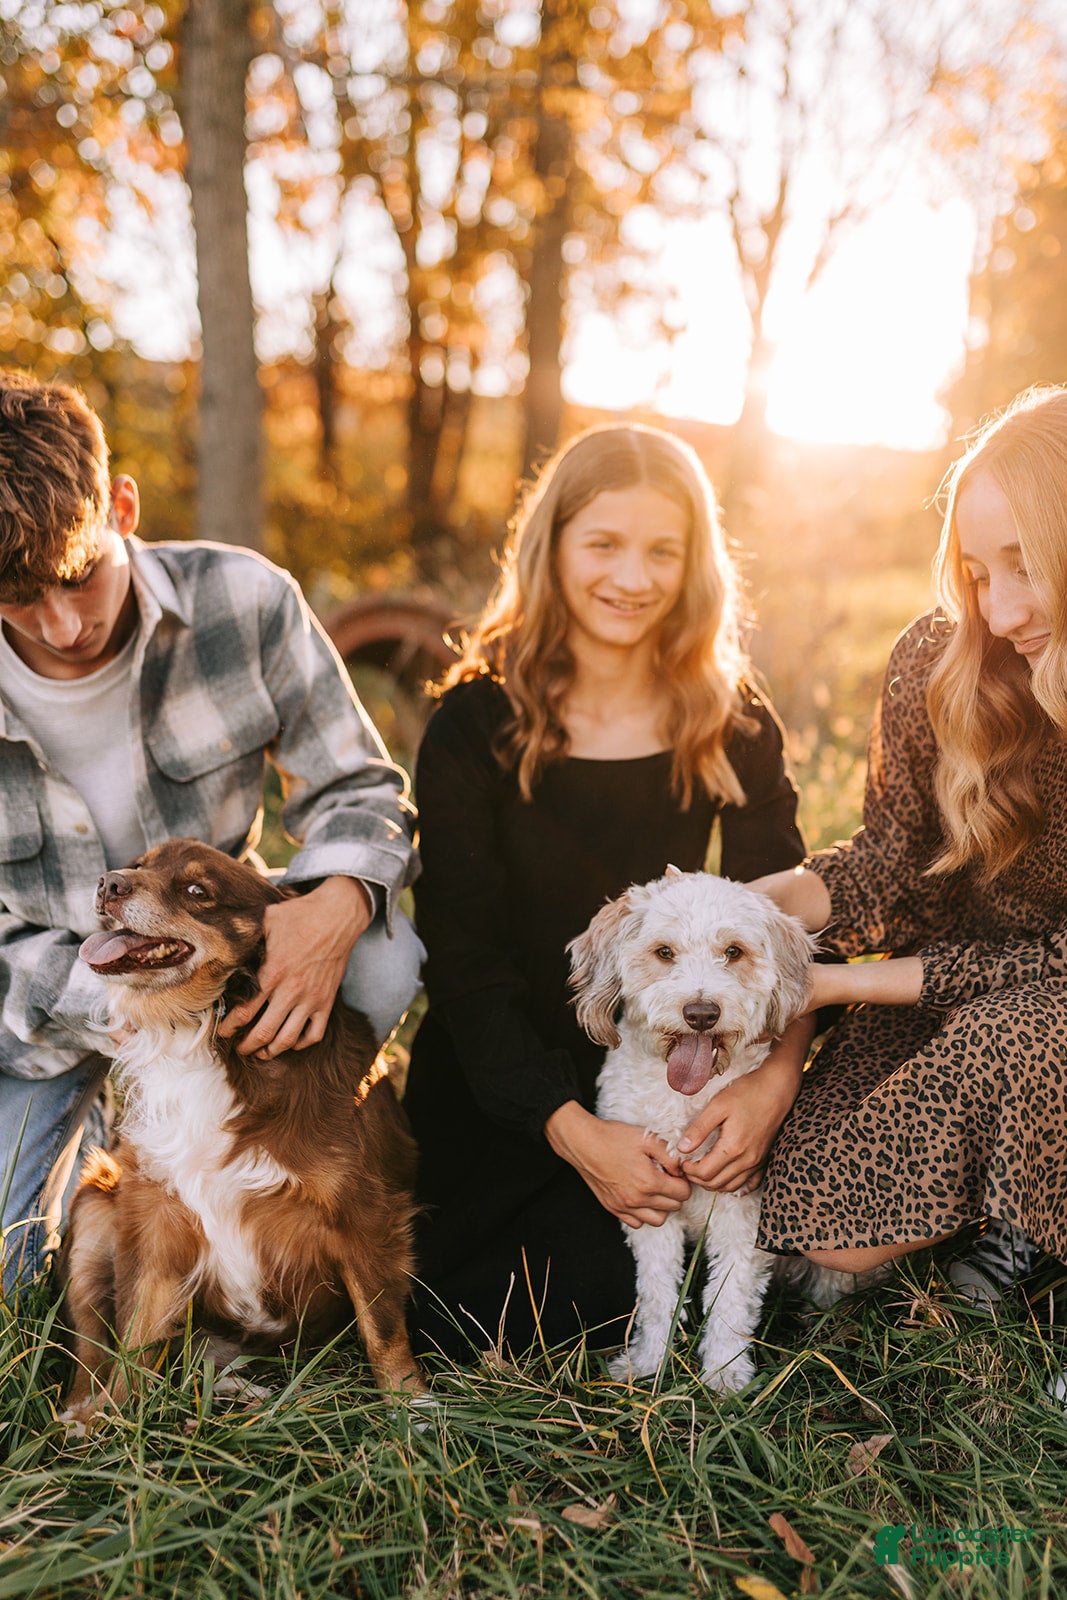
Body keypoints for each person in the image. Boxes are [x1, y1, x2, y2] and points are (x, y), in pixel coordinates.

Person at [0, 370, 422, 1291]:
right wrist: (131, 1000)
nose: (63, 624)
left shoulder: (246, 599)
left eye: (78, 576)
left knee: (387, 951)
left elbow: (357, 783)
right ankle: (151, 1138)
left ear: (122, 504)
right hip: (50, 1010)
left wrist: (340, 901)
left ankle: (274, 1166)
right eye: (18, 601)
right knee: (17, 1269)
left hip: (222, 967)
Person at [403, 422, 808, 1358]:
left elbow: (783, 928)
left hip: (679, 1058)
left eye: (661, 550)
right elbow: (462, 959)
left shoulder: (729, 721)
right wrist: (575, 1132)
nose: (632, 576)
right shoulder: (473, 724)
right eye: (603, 544)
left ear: (694, 564)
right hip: (508, 1078)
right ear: (550, 548)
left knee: (633, 1282)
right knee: (491, 1315)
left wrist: (772, 1086)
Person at [680, 384, 1067, 1303]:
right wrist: (739, 913)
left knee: (1018, 1037)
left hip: (1045, 1007)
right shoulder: (940, 659)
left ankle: (1033, 1225)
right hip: (940, 978)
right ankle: (995, 1192)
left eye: (1025, 565)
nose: (1001, 609)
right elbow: (891, 860)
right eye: (977, 571)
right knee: (813, 1210)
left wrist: (848, 981)